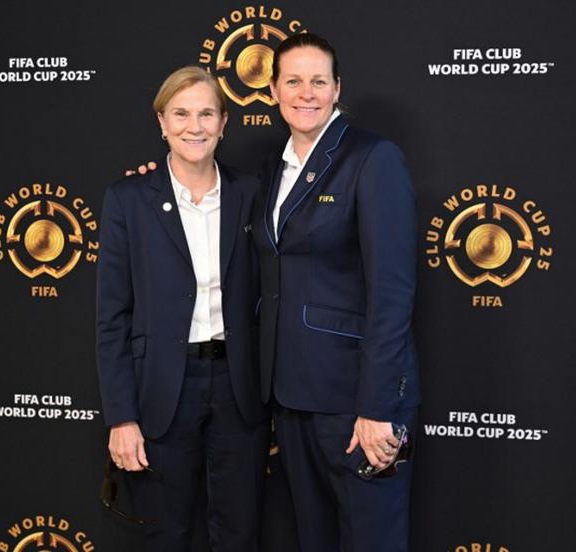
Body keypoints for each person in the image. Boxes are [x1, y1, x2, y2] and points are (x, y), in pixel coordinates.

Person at [250, 33, 421, 552]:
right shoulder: (271, 171)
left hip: (354, 402)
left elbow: (393, 292)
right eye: (293, 81)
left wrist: (377, 407)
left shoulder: (372, 158)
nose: (307, 93)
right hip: (291, 397)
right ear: (274, 92)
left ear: (337, 88)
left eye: (318, 81)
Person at [96, 66, 268, 552]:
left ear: (224, 122)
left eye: (206, 113)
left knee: (239, 532)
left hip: (239, 387)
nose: (195, 126)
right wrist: (121, 417)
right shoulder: (128, 199)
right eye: (182, 113)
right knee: (165, 534)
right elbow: (112, 317)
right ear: (162, 123)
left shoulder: (251, 193)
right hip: (162, 389)